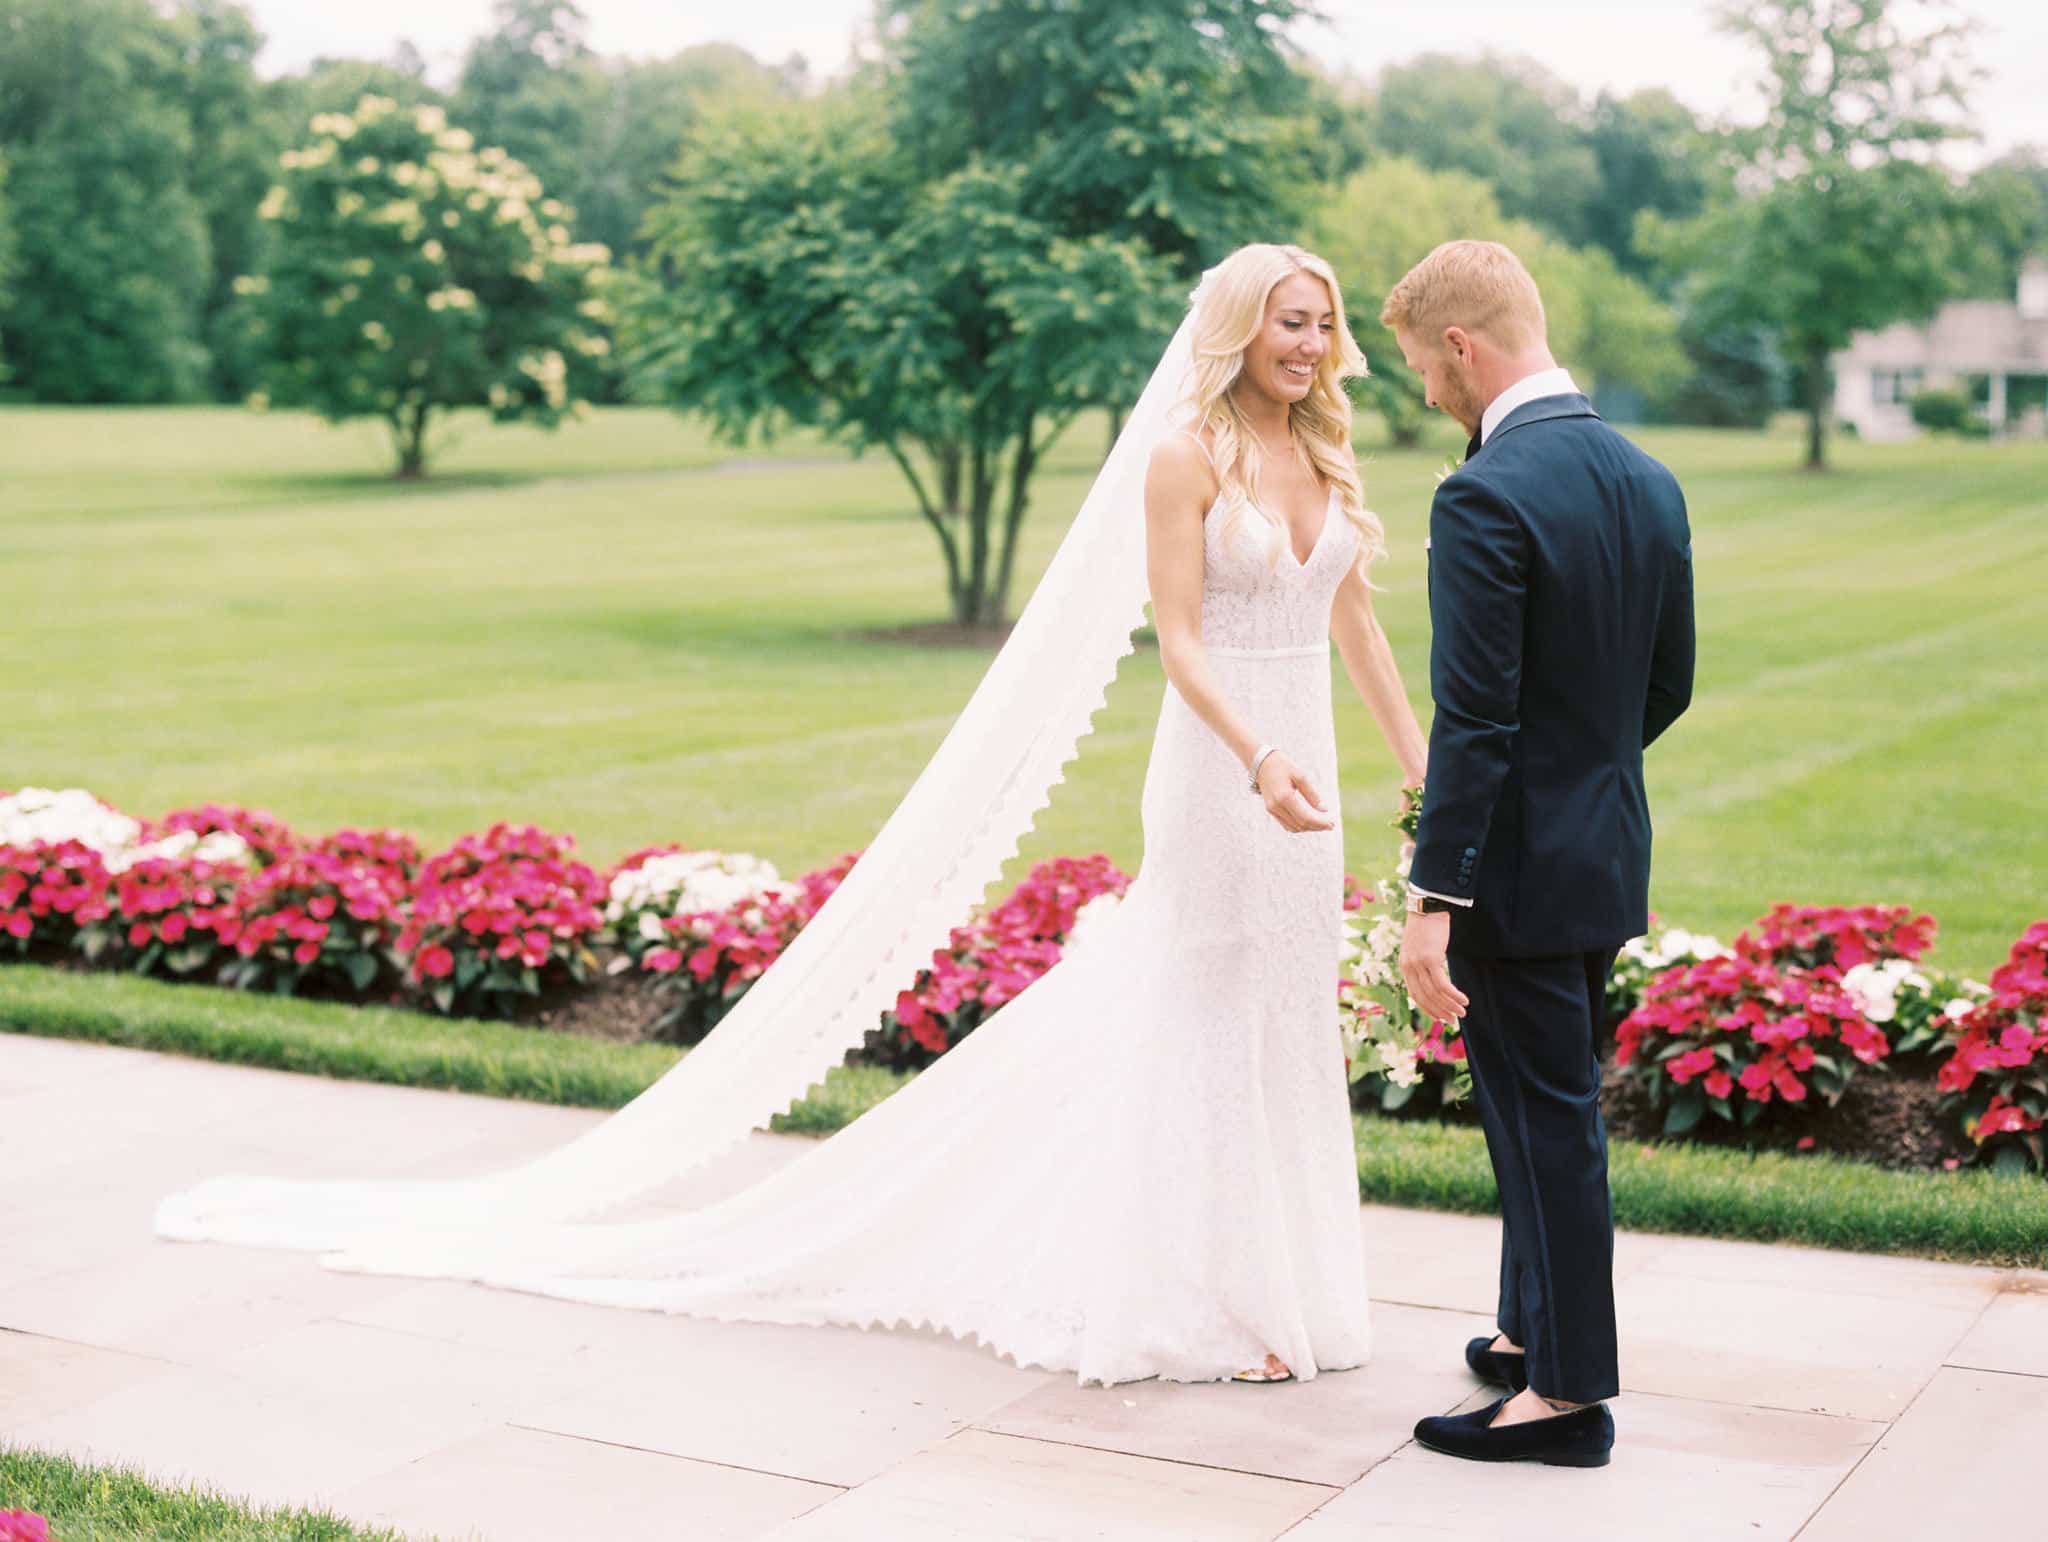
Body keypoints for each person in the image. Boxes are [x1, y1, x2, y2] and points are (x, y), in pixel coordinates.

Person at [154, 242, 1431, 1390]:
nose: (1308, 344)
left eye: (1320, 323)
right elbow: (1184, 645)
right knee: (1202, 1011)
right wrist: (1257, 756)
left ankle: (1293, 1292)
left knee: (1279, 1007)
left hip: (1301, 758)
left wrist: (1423, 773)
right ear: (1233, 331)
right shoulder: (1182, 458)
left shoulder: (1322, 452)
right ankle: (1205, 1301)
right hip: (1224, 767)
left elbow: (1357, 623)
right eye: (1287, 323)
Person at [1383, 240, 1696, 1466]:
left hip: (1509, 870)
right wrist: (1581, 780)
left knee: (1545, 1122)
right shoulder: (1646, 475)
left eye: (1419, 367)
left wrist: (1432, 894)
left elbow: (1475, 719)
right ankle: (1528, 1332)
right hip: (1601, 848)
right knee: (1531, 1111)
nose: (1420, 394)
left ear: (1461, 346)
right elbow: (1661, 687)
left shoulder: (1483, 493)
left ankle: (1565, 1397)